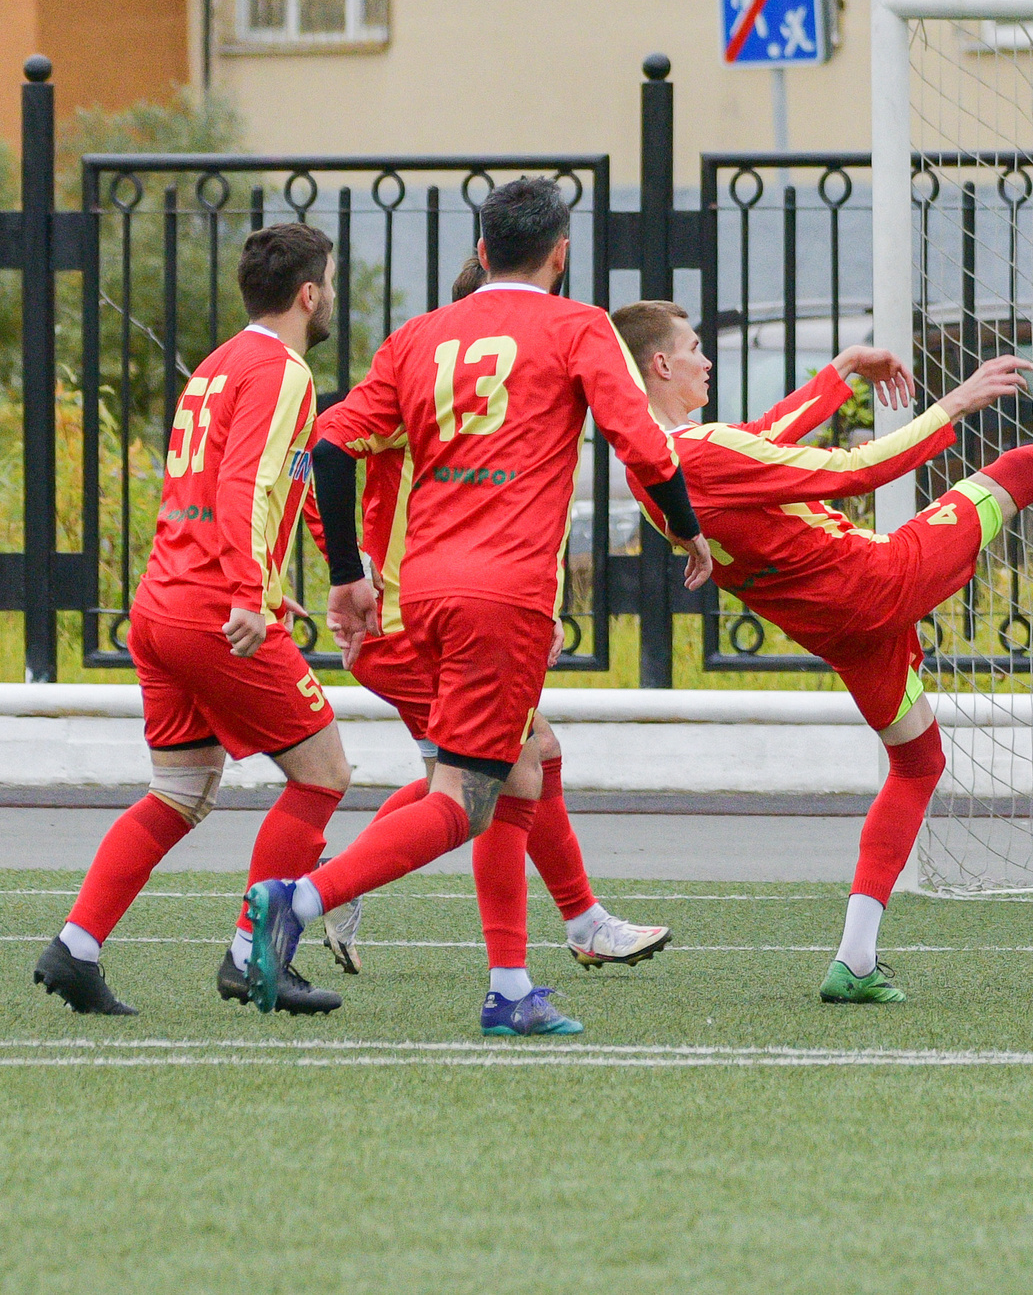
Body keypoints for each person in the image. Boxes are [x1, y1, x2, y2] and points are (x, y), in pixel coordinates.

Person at [611, 247, 1033, 1003]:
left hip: (840, 629)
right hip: (879, 580)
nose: (705, 361)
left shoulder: (653, 472)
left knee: (918, 762)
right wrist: (957, 402)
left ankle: (856, 961)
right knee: (1025, 470)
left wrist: (838, 376)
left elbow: (762, 444)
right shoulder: (695, 452)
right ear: (661, 368)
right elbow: (855, 470)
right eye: (694, 349)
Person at [243, 178, 715, 1035]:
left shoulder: (420, 335)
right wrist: (689, 535)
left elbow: (331, 447)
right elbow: (643, 446)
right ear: (560, 254)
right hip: (507, 596)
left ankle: (512, 985)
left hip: (424, 589)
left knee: (521, 769)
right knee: (463, 798)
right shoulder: (575, 326)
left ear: (484, 248)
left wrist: (349, 571)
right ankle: (299, 900)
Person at [307, 254, 669, 977]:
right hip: (413, 628)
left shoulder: (478, 396)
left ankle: (552, 937)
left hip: (459, 617)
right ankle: (321, 895)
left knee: (512, 764)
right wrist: (352, 573)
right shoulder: (426, 392)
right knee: (505, 772)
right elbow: (322, 465)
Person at [32, 224, 352, 1017]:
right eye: (332, 283)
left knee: (179, 791)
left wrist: (297, 578)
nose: (333, 297)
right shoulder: (284, 370)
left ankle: (75, 948)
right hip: (215, 609)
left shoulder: (217, 365)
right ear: (309, 294)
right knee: (324, 775)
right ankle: (252, 957)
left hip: (162, 603)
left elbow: (256, 484)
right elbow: (244, 482)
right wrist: (251, 590)